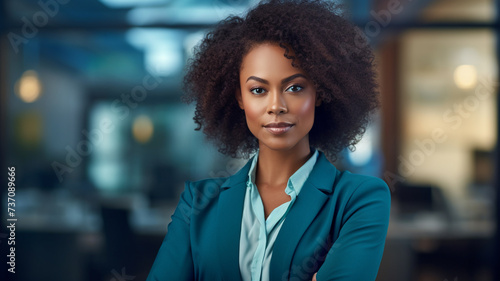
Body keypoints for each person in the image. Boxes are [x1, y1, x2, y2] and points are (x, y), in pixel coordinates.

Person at [146, 0, 391, 280]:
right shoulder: (198, 203)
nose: (276, 105)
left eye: (295, 87)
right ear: (239, 97)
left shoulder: (358, 199)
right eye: (259, 90)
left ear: (319, 93)